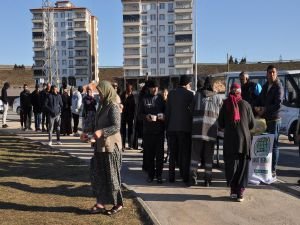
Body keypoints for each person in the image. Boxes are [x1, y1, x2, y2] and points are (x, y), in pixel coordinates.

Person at [89, 80, 123, 215]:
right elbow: (97, 124)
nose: (100, 95)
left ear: (107, 91)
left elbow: (116, 126)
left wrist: (102, 132)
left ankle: (118, 203)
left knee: (112, 177)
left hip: (110, 148)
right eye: (99, 93)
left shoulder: (113, 106)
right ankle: (100, 203)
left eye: (101, 92)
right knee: (99, 176)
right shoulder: (102, 106)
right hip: (99, 147)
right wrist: (90, 135)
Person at [218, 83, 255, 202]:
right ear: (239, 92)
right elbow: (252, 124)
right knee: (243, 166)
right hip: (244, 140)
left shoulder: (225, 105)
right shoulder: (246, 104)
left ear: (230, 91)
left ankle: (233, 190)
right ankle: (240, 192)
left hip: (230, 141)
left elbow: (221, 124)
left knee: (231, 165)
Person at [190, 77, 223, 187]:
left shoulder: (197, 96)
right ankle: (207, 180)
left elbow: (191, 110)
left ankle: (193, 179)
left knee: (195, 156)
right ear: (212, 86)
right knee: (209, 157)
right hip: (211, 132)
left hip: (197, 130)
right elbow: (221, 115)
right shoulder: (218, 98)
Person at [254, 65, 284, 177]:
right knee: (265, 145)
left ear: (276, 74)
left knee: (274, 145)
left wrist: (265, 109)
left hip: (274, 120)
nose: (271, 74)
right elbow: (259, 99)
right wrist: (255, 107)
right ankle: (264, 169)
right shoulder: (266, 86)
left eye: (273, 72)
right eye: (269, 72)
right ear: (266, 74)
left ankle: (273, 170)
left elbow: (278, 104)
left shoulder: (279, 86)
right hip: (264, 120)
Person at [165, 75, 194, 184]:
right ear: (187, 84)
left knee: (172, 154)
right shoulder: (190, 95)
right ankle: (185, 176)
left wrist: (167, 127)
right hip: (185, 129)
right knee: (184, 154)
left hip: (172, 128)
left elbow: (167, 112)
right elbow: (192, 112)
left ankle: (171, 177)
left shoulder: (171, 94)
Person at [138, 80, 165, 183]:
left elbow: (166, 112)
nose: (155, 89)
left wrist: (163, 117)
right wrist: (146, 117)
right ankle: (150, 175)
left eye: (157, 88)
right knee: (149, 155)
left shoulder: (161, 99)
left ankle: (159, 176)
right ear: (149, 88)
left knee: (159, 156)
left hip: (159, 132)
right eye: (153, 88)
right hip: (148, 132)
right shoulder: (144, 99)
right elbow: (139, 115)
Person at [120, 83, 136, 149]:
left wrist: (133, 115)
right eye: (127, 89)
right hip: (124, 115)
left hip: (130, 115)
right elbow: (120, 104)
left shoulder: (133, 96)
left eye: (130, 89)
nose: (129, 90)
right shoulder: (123, 95)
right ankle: (122, 145)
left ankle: (130, 144)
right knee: (123, 131)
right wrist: (125, 98)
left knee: (130, 130)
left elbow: (134, 105)